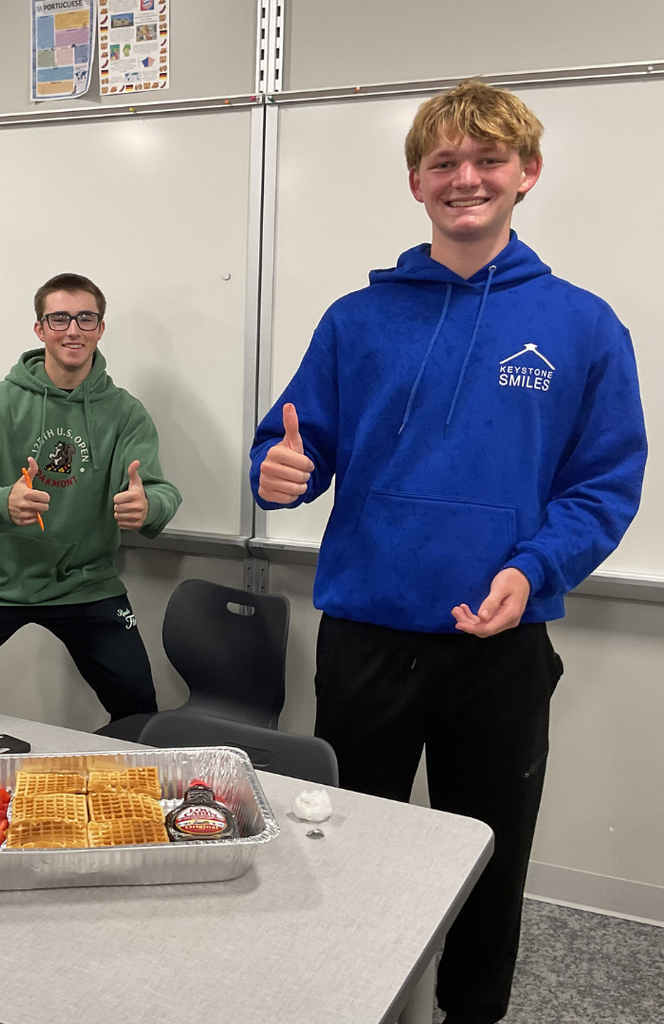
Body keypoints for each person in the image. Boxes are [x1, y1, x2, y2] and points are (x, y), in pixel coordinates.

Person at [249, 81, 645, 1024]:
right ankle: (345, 998)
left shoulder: (584, 326)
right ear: (417, 183)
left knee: (489, 853)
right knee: (339, 842)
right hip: (365, 636)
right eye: (443, 164)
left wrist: (532, 570)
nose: (466, 179)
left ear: (526, 174)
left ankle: (473, 1012)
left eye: (488, 161)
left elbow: (603, 486)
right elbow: (295, 443)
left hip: (498, 646)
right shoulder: (356, 320)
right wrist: (280, 469)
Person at [0, 272, 181, 723]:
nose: (73, 329)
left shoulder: (125, 412)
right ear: (40, 329)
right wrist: (3, 502)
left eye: (86, 318)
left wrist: (149, 506)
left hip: (85, 582)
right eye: (59, 319)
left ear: (100, 328)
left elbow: (157, 488)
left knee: (138, 711)